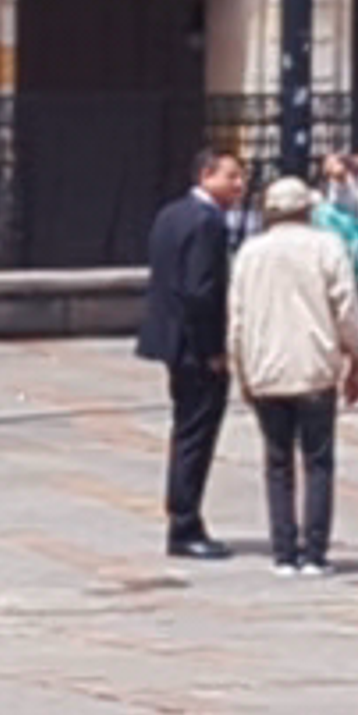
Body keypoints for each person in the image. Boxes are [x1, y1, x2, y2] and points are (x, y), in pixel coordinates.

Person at [227, 169, 358, 571]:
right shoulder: (327, 247)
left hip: (266, 370)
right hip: (315, 369)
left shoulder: (249, 254)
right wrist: (355, 360)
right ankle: (315, 553)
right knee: (318, 462)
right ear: (307, 209)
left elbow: (236, 320)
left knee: (277, 464)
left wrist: (243, 374)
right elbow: (346, 309)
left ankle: (284, 552)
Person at [139, 136, 248, 557]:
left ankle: (183, 516)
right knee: (196, 434)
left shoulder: (172, 214)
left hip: (171, 341)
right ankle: (185, 523)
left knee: (185, 430)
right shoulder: (207, 223)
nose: (239, 184)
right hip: (195, 346)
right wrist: (214, 349)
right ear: (207, 175)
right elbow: (201, 291)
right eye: (231, 176)